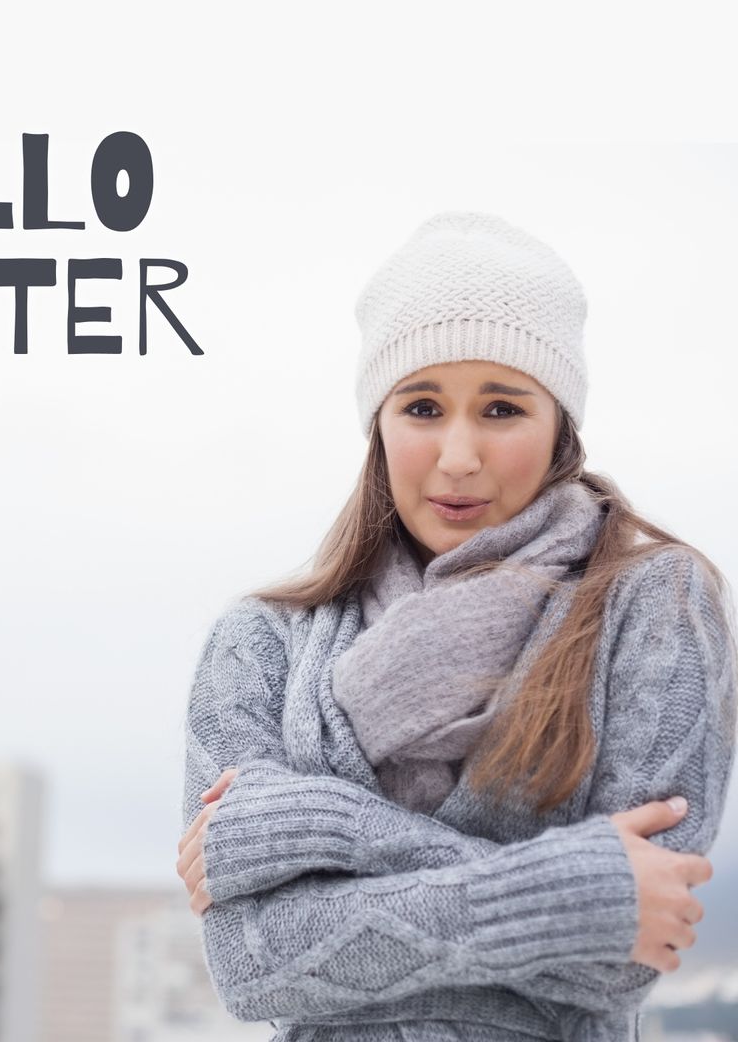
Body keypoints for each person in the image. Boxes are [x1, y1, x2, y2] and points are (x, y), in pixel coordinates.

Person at [175, 211, 738, 1042]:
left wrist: (323, 825)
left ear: (559, 431)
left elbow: (627, 948)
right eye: (424, 406)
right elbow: (253, 963)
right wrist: (563, 892)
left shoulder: (654, 603)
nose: (460, 455)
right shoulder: (260, 642)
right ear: (379, 424)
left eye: (503, 408)